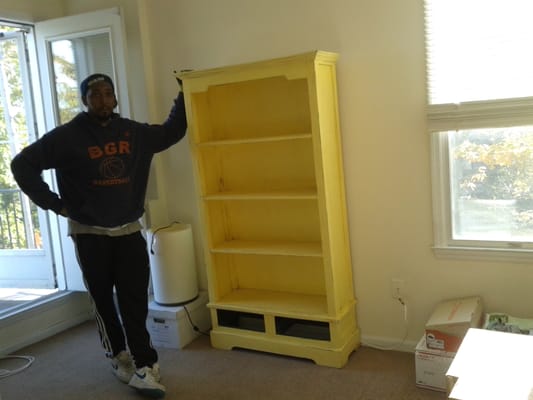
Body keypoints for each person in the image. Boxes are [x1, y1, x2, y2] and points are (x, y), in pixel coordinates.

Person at [10, 73, 187, 399]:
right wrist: (54, 204)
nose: (103, 100)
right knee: (104, 301)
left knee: (135, 301)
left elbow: (173, 131)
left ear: (115, 98)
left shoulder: (134, 133)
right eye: (95, 94)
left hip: (129, 231)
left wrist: (184, 92)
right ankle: (118, 357)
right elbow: (21, 164)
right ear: (84, 100)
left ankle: (146, 364)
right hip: (89, 234)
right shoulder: (66, 138)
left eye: (108, 93)